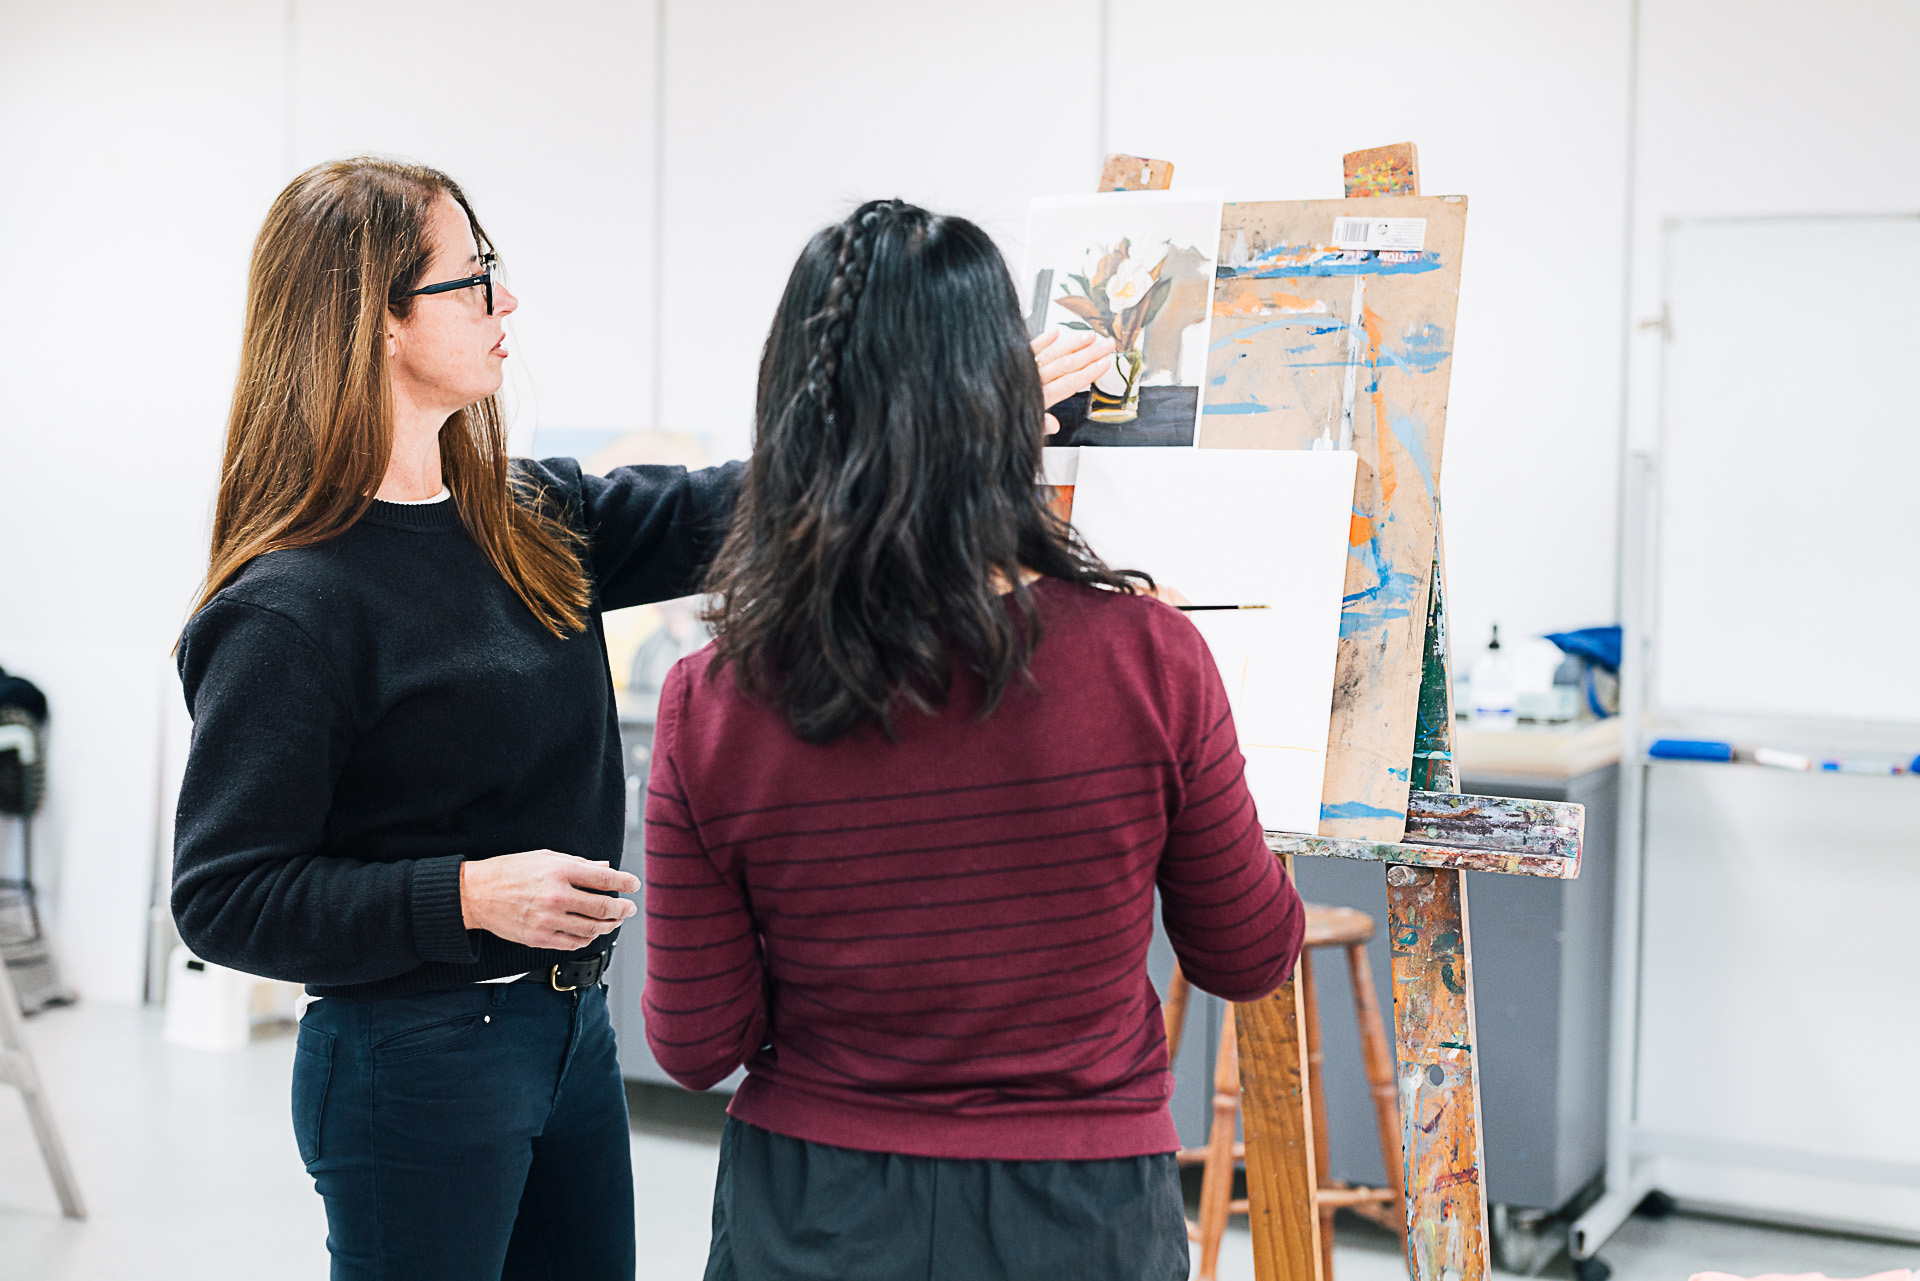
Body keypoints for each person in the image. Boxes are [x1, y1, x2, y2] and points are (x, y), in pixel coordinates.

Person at [643, 199, 1308, 1281]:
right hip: (1079, 1216)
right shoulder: (1153, 660)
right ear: (1012, 403)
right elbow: (1249, 954)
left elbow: (693, 1043)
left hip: (815, 1211)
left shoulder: (712, 699)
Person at [169, 157, 745, 1280]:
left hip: (569, 1034)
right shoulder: (292, 605)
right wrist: (470, 893)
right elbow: (223, 897)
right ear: (375, 320)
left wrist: (955, 410)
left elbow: (729, 508)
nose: (505, 301)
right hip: (414, 1058)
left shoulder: (527, 513)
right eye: (473, 278)